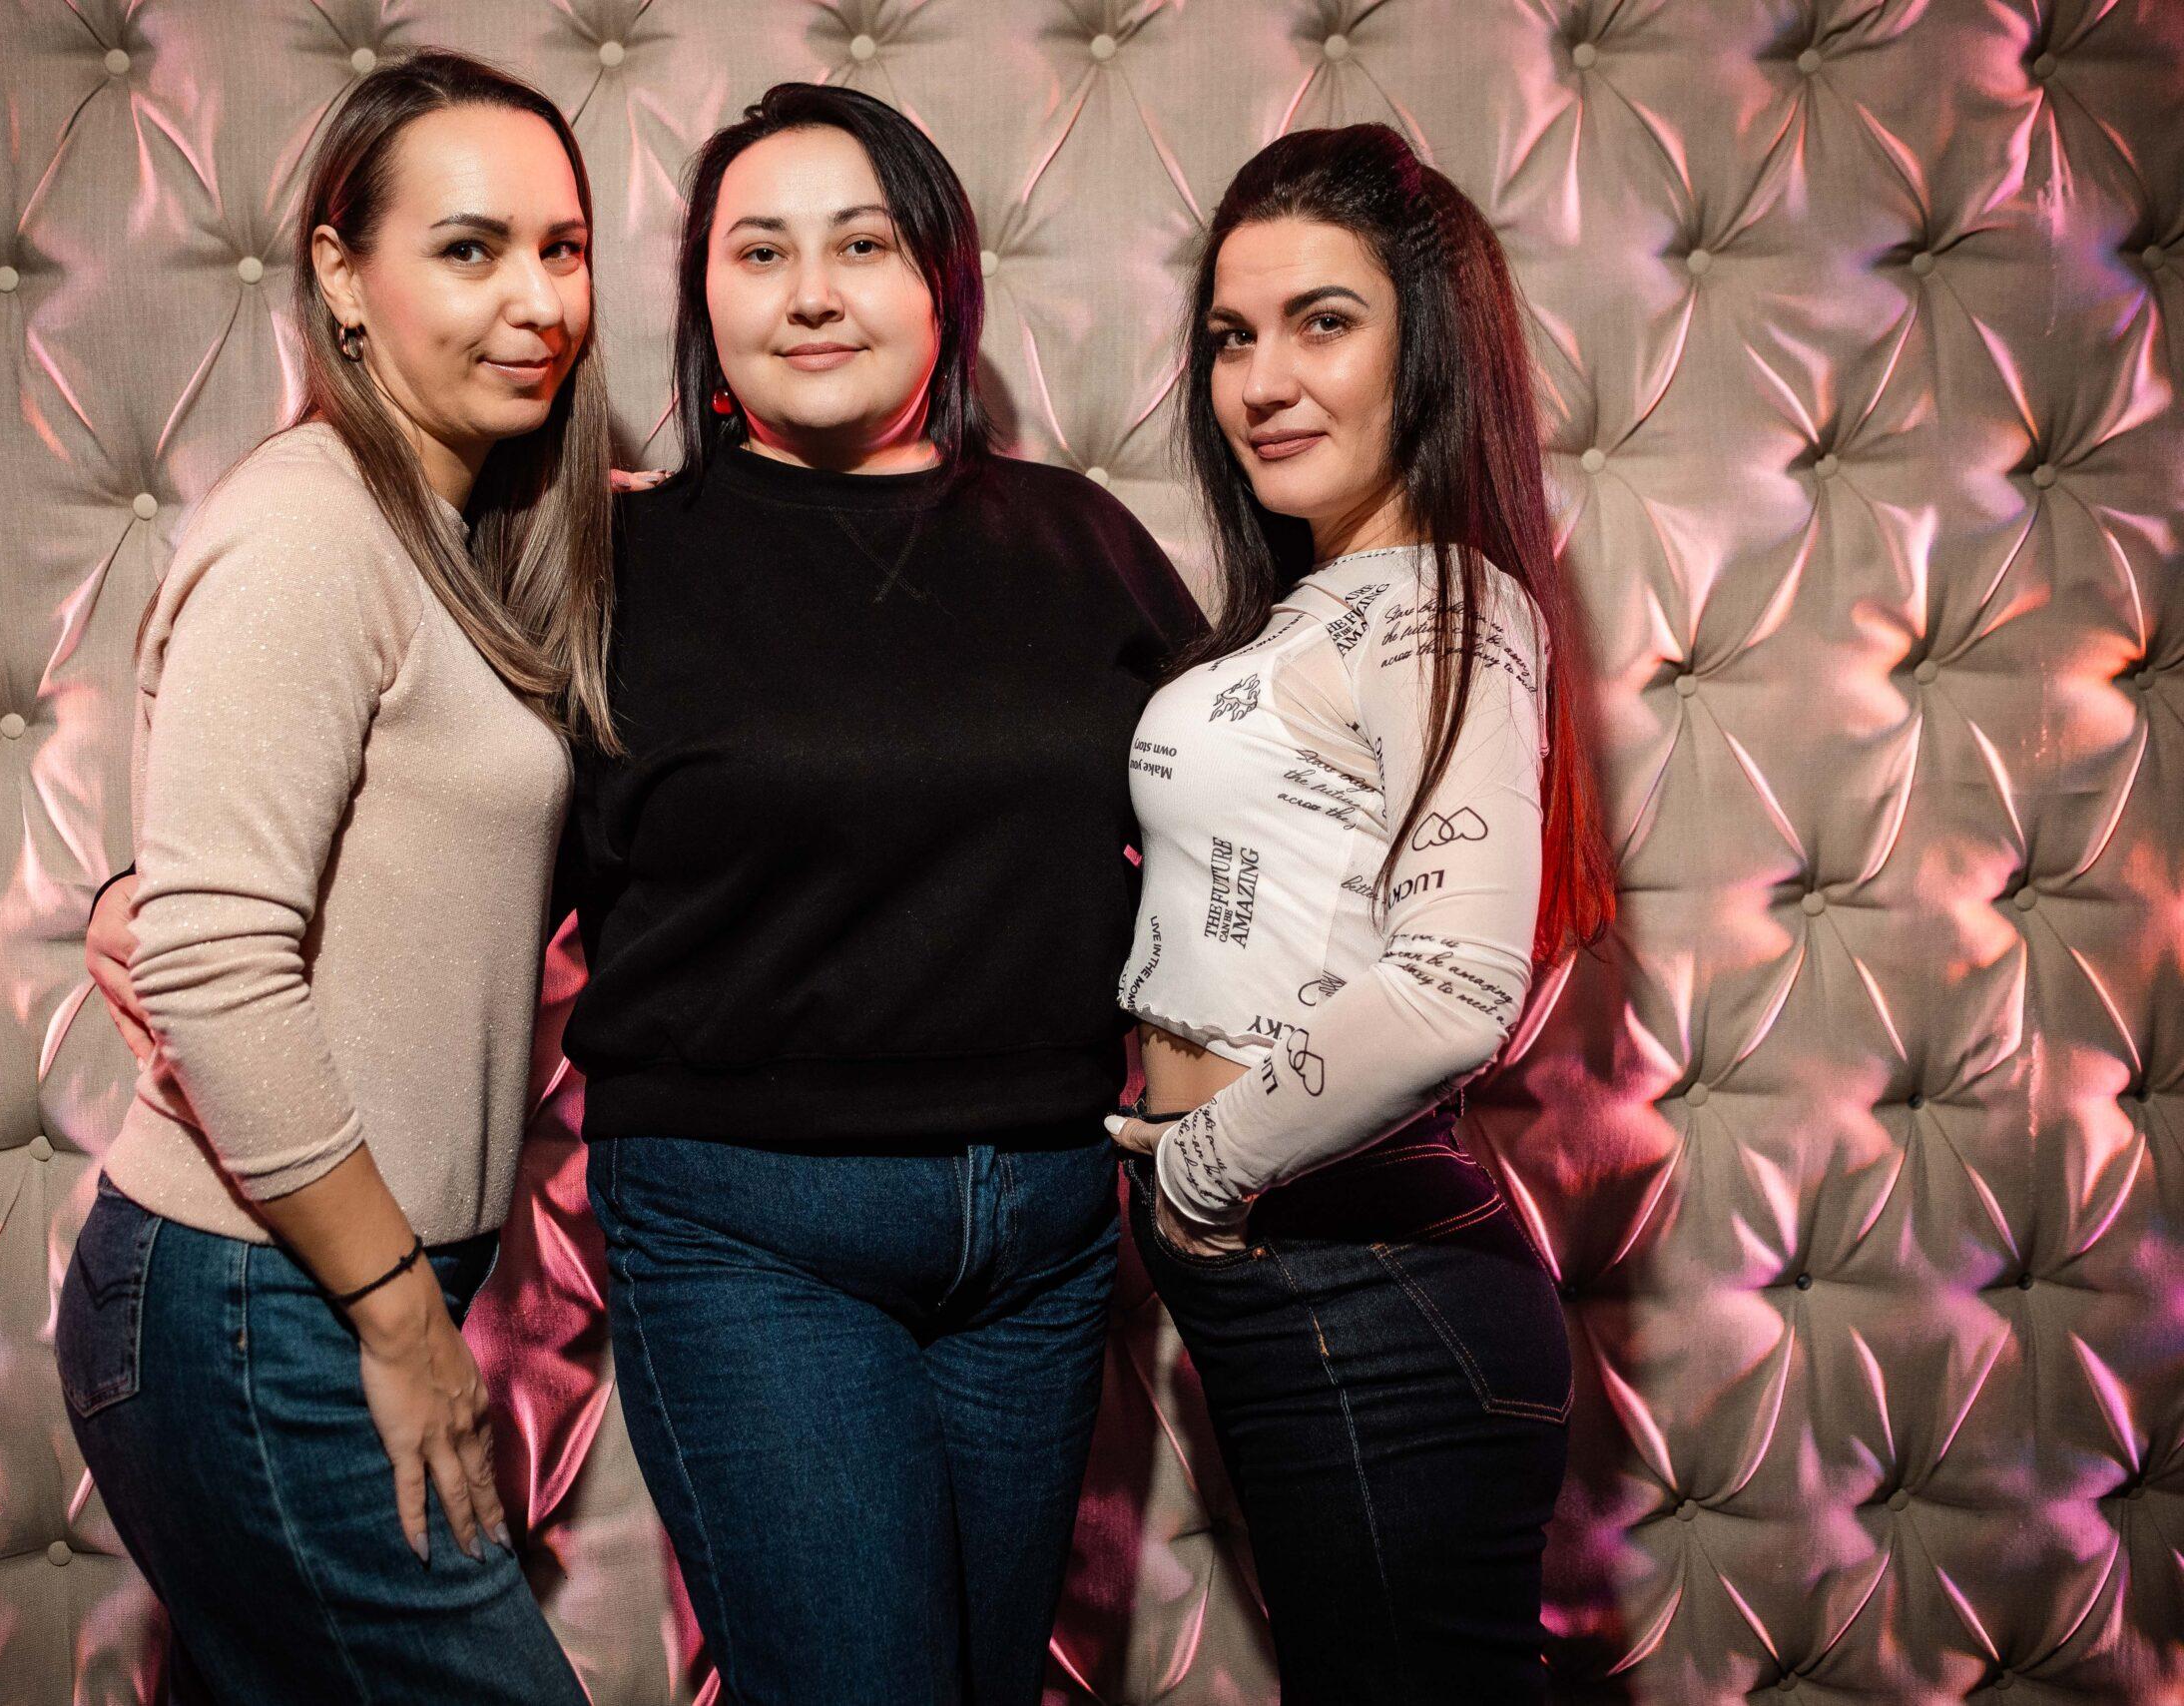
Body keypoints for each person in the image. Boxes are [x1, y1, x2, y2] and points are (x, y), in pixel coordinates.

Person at [562, 85, 1204, 1704]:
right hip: (745, 1223)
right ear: (703, 299)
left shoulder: (1082, 540)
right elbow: (443, 815)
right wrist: (168, 886)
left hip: (1044, 1232)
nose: (812, 293)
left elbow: (1253, 825)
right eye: (759, 251)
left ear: (941, 282)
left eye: (862, 245)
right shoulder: (610, 568)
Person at [55, 50, 610, 1705]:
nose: (536, 300)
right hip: (266, 1294)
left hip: (315, 1286)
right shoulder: (311, 527)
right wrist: (398, 1315)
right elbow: (217, 959)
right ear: (342, 277)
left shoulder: (462, 538)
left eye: (563, 249)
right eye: (470, 248)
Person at [1104, 124, 1618, 1704]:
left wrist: (1197, 1170)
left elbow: (1456, 983)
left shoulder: (1448, 602)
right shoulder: (1325, 606)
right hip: (1310, 1273)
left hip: (1372, 1276)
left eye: (1322, 323)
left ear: (1428, 348)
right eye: (1231, 337)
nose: (1262, 382)